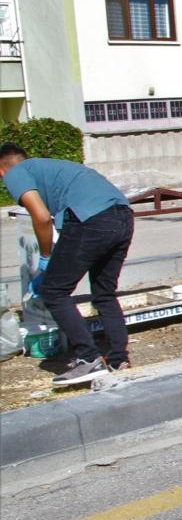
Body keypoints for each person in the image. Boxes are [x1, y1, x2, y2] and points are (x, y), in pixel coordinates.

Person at [0, 144, 135, 386]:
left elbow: (41, 217)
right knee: (104, 292)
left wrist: (45, 255)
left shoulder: (15, 172)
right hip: (123, 216)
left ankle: (89, 358)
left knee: (53, 291)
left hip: (92, 220)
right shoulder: (53, 166)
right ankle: (119, 359)